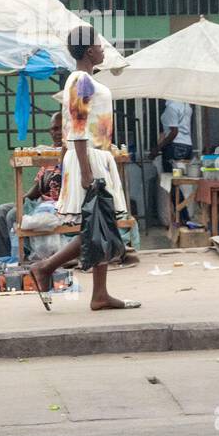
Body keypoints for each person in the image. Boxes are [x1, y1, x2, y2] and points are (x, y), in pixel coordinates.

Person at [29, 27, 140, 311]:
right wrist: (86, 171)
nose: (103, 49)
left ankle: (98, 293)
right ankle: (47, 268)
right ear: (89, 50)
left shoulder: (84, 79)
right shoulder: (79, 79)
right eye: (99, 44)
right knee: (99, 224)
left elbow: (72, 126)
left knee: (100, 225)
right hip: (89, 158)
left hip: (93, 156)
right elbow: (77, 128)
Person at [0, 111, 63, 257]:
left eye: (60, 128)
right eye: (53, 129)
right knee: (0, 212)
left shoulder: (70, 153)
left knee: (13, 214)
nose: (56, 133)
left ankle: (20, 257)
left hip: (55, 205)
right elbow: (38, 187)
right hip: (39, 201)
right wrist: (22, 199)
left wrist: (22, 204)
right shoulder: (48, 152)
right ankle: (3, 259)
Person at [147, 99, 195, 222]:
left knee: (173, 183)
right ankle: (184, 214)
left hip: (175, 148)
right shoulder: (186, 105)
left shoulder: (171, 108)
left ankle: (184, 217)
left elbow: (174, 132)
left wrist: (157, 149)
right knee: (182, 182)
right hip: (187, 146)